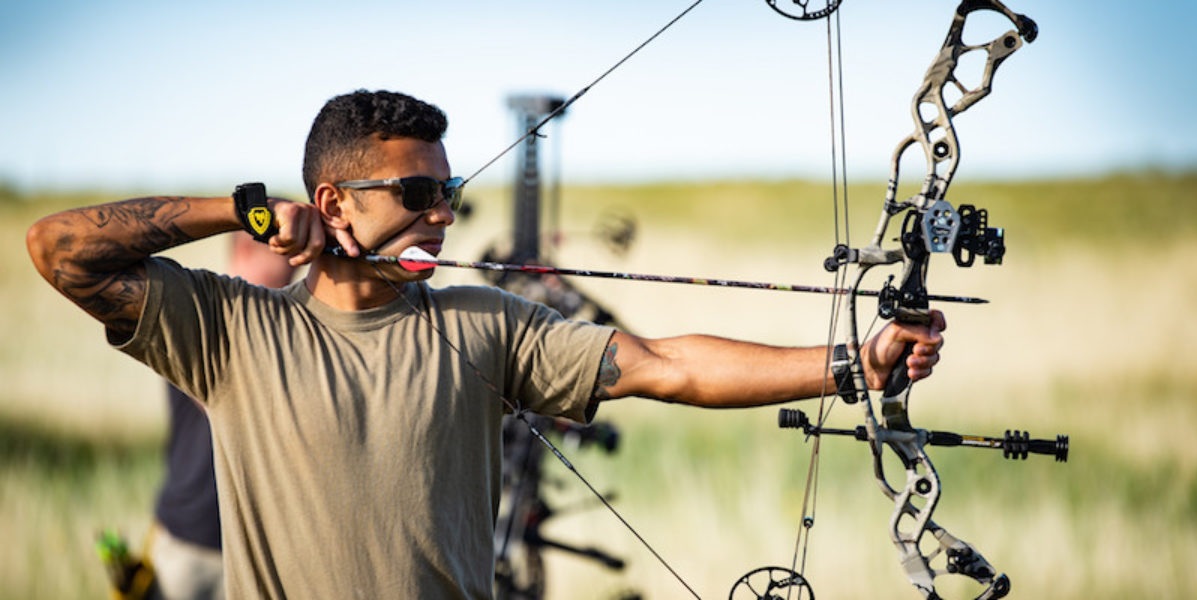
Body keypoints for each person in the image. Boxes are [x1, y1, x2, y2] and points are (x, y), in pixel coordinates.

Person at [26, 90, 944, 599]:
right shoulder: (232, 329)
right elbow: (59, 250)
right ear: (335, 201)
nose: (444, 210)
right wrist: (242, 208)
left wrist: (848, 366)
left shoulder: (480, 323)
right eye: (415, 193)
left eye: (450, 189)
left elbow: (666, 365)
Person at [149, 232, 296, 600]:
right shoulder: (204, 315)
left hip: (254, 548)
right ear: (248, 248)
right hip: (194, 537)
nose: (298, 268)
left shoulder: (278, 322)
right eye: (288, 256)